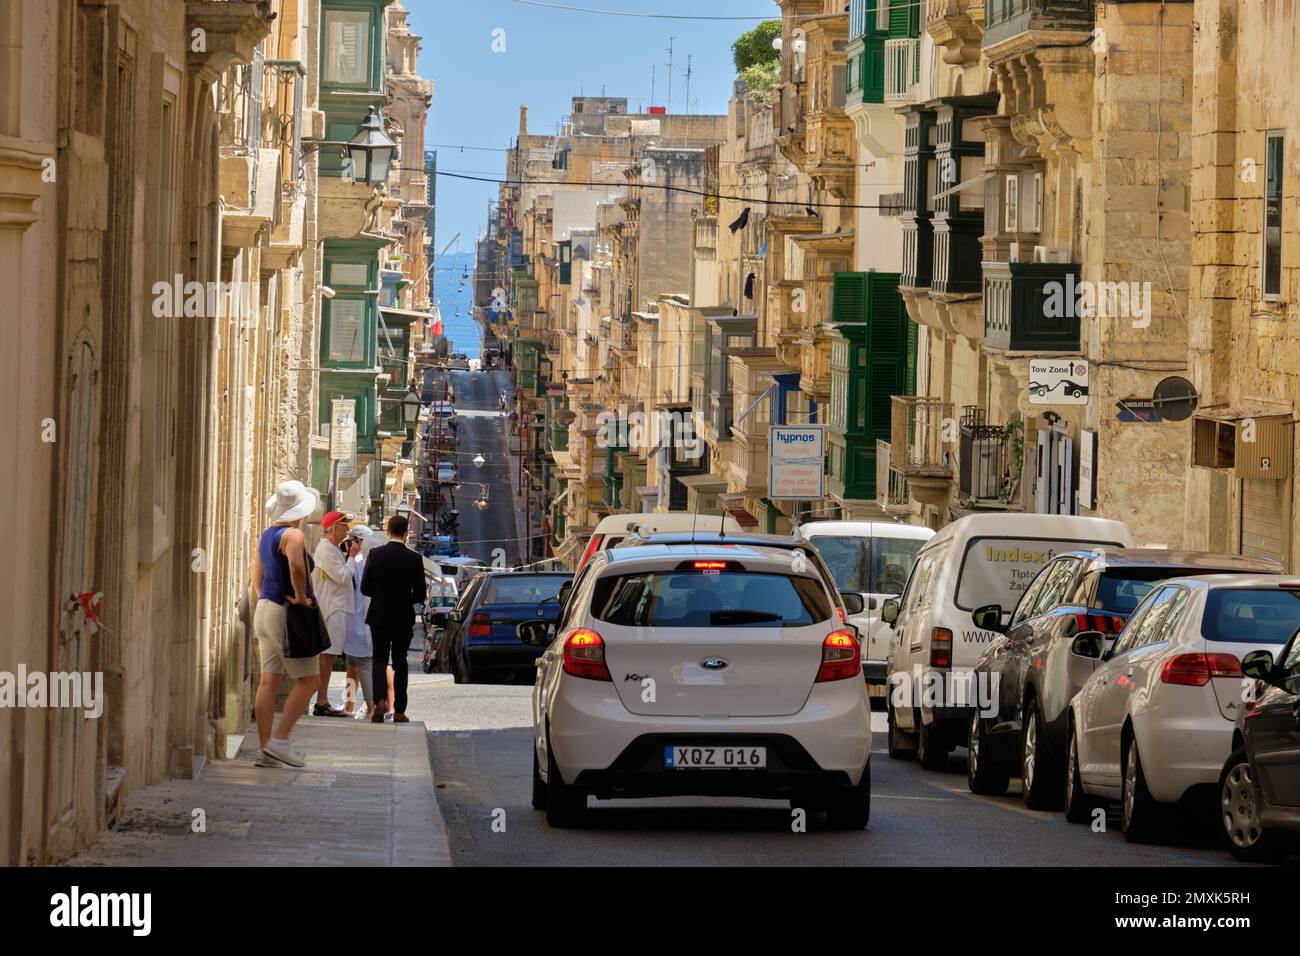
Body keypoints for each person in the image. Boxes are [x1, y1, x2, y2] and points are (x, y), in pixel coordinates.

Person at [249, 479, 322, 768]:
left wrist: (266, 596)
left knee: (269, 680)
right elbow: (296, 566)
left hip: (264, 609)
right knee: (310, 681)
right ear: (300, 510)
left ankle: (265, 749)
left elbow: (257, 576)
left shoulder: (267, 534)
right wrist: (302, 598)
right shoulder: (293, 535)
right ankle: (279, 741)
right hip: (284, 611)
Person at [360, 513, 425, 724]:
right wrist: (405, 599)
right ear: (406, 533)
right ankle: (399, 710)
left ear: (387, 531)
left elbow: (364, 587)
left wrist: (380, 596)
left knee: (379, 659)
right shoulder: (414, 558)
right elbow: (420, 593)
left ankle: (379, 701)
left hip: (378, 615)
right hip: (402, 617)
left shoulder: (375, 554)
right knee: (400, 662)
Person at [310, 511, 355, 717]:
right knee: (327, 657)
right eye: (344, 526)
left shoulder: (332, 549)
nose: (348, 530)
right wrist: (352, 558)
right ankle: (322, 700)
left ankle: (324, 699)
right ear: (335, 528)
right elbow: (343, 577)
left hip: (335, 607)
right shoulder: (327, 550)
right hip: (332, 607)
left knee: (329, 657)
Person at [343, 525, 377, 719]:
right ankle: (349, 704)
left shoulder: (359, 563)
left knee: (361, 666)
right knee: (354, 666)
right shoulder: (368, 562)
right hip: (359, 620)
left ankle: (370, 705)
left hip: (359, 621)